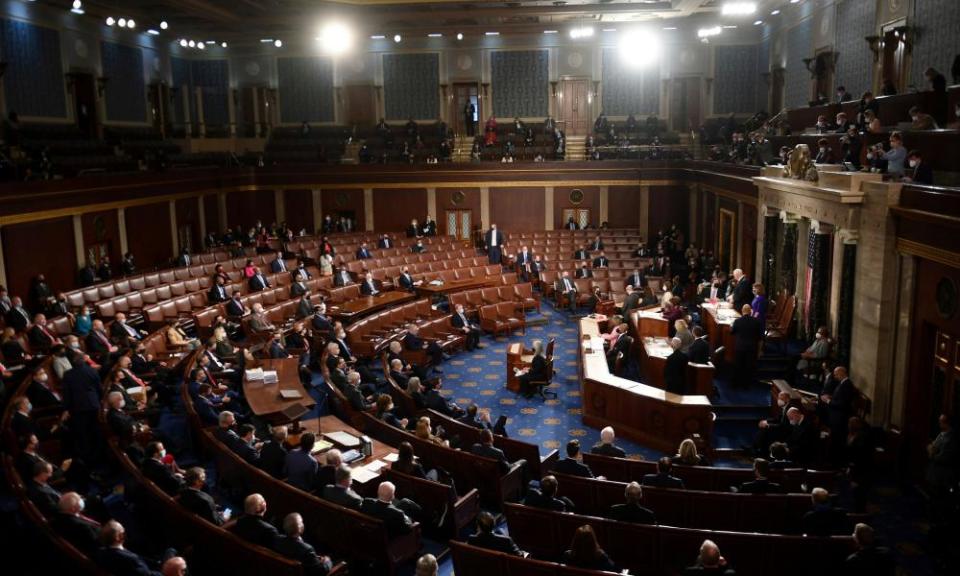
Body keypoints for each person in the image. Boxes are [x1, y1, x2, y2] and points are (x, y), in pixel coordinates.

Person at [98, 520, 168, 576]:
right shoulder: (129, 558)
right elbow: (147, 574)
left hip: (153, 565)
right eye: (123, 531)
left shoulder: (103, 553)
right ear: (118, 537)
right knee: (171, 551)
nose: (125, 533)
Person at [926, 413, 958, 497]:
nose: (939, 423)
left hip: (942, 476)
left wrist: (932, 453)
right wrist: (932, 450)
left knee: (939, 498)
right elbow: (931, 447)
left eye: (941, 421)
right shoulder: (941, 434)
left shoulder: (951, 438)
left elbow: (943, 457)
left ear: (946, 422)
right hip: (934, 473)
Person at [731, 304, 762, 387]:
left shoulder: (737, 321)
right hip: (752, 348)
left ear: (742, 310)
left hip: (740, 347)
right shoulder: (756, 322)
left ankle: (736, 384)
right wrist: (759, 351)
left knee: (738, 365)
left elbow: (732, 332)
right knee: (749, 367)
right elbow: (760, 338)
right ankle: (746, 385)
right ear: (750, 311)